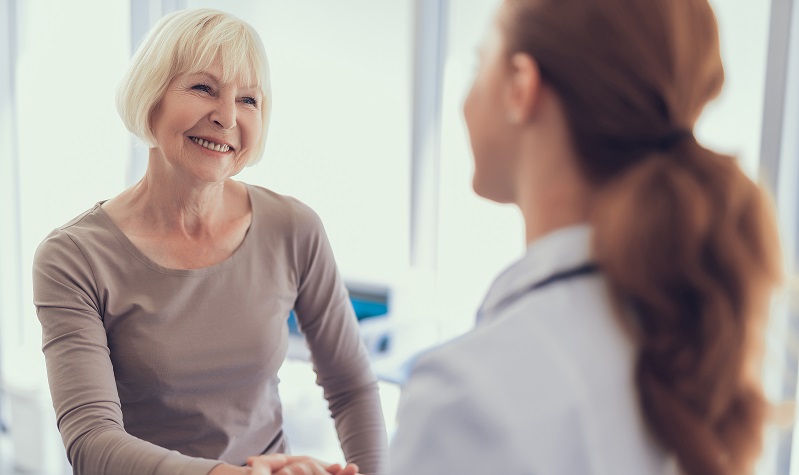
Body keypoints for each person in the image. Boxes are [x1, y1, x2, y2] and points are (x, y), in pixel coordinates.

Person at [384, 0, 779, 474]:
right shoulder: (679, 346)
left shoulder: (470, 397)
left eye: (478, 61)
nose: (466, 95)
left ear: (520, 86)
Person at [32, 8, 387, 475]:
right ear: (151, 96)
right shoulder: (73, 259)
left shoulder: (294, 227)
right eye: (203, 88)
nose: (226, 117)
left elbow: (352, 385)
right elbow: (92, 441)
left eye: (248, 100)